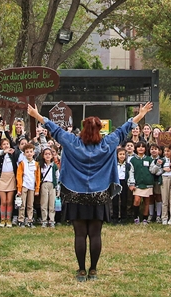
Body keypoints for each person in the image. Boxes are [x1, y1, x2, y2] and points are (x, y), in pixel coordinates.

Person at [26, 100, 152, 282]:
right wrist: (140, 115)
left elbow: (54, 129)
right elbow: (124, 130)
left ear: (83, 129)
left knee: (79, 234)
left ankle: (81, 271)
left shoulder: (72, 142)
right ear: (99, 129)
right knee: (95, 234)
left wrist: (37, 116)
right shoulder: (107, 143)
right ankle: (93, 270)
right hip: (99, 195)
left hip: (75, 194)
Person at [39, 146, 59, 228]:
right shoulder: (41, 166)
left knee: (52, 203)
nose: (47, 156)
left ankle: (51, 220)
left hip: (52, 184)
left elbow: (57, 177)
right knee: (44, 203)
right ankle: (44, 220)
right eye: (46, 154)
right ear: (43, 156)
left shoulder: (54, 166)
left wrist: (58, 188)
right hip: (44, 184)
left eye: (49, 154)